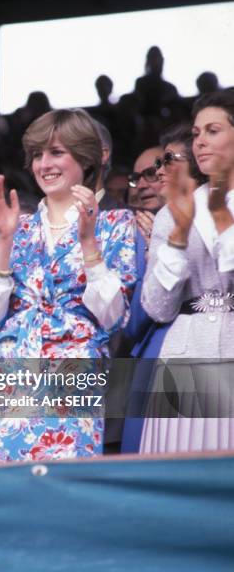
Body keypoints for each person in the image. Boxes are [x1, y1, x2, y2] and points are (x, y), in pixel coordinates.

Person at [0, 108, 136, 462]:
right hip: (11, 369)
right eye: (37, 155)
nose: (44, 163)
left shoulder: (116, 222)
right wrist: (5, 238)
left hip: (75, 368)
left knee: (69, 491)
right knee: (3, 492)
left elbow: (111, 317)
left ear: (86, 158)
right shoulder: (16, 225)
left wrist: (89, 241)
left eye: (56, 152)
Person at [139, 89, 234, 453]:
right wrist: (177, 237)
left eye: (213, 130)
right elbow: (158, 308)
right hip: (185, 351)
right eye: (196, 134)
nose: (200, 143)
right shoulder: (173, 211)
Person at [121, 124, 203, 452]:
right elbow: (134, 321)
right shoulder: (123, 232)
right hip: (151, 355)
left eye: (160, 166)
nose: (150, 179)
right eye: (138, 176)